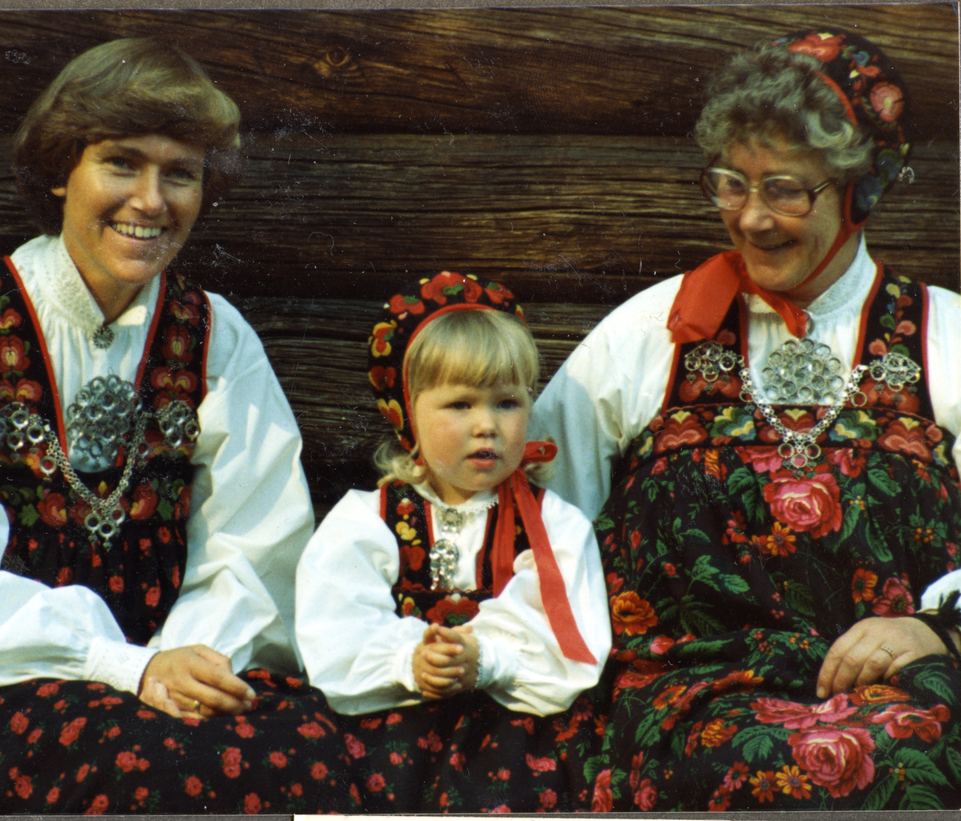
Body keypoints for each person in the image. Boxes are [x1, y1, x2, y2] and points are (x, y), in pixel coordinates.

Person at [0, 38, 357, 814]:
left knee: (317, 750)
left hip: (174, 670)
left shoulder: (215, 337)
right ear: (62, 170)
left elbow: (257, 544)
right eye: (122, 163)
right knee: (143, 769)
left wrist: (182, 663)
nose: (152, 200)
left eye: (181, 173)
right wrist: (118, 666)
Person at [532, 29, 961, 810]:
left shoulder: (947, 341)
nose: (753, 219)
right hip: (682, 719)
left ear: (861, 189)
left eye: (787, 189)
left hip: (906, 710)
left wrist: (945, 630)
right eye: (732, 183)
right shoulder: (648, 335)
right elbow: (534, 521)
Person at [296, 271, 611, 812]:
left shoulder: (552, 525)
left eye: (507, 403)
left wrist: (483, 659)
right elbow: (335, 627)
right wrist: (409, 663)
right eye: (461, 405)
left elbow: (568, 639)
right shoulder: (367, 520)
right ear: (407, 412)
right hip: (390, 724)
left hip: (515, 730)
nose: (487, 425)